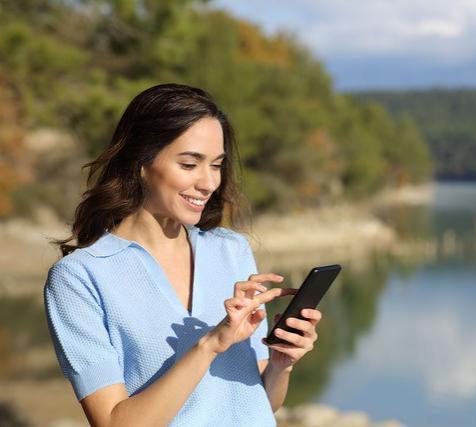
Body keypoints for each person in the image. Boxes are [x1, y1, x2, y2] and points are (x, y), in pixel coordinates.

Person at [43, 83, 322, 426]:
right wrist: (209, 345)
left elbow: (258, 404)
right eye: (190, 164)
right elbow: (114, 423)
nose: (208, 183)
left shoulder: (231, 251)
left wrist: (281, 364)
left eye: (216, 165)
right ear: (140, 163)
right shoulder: (79, 277)